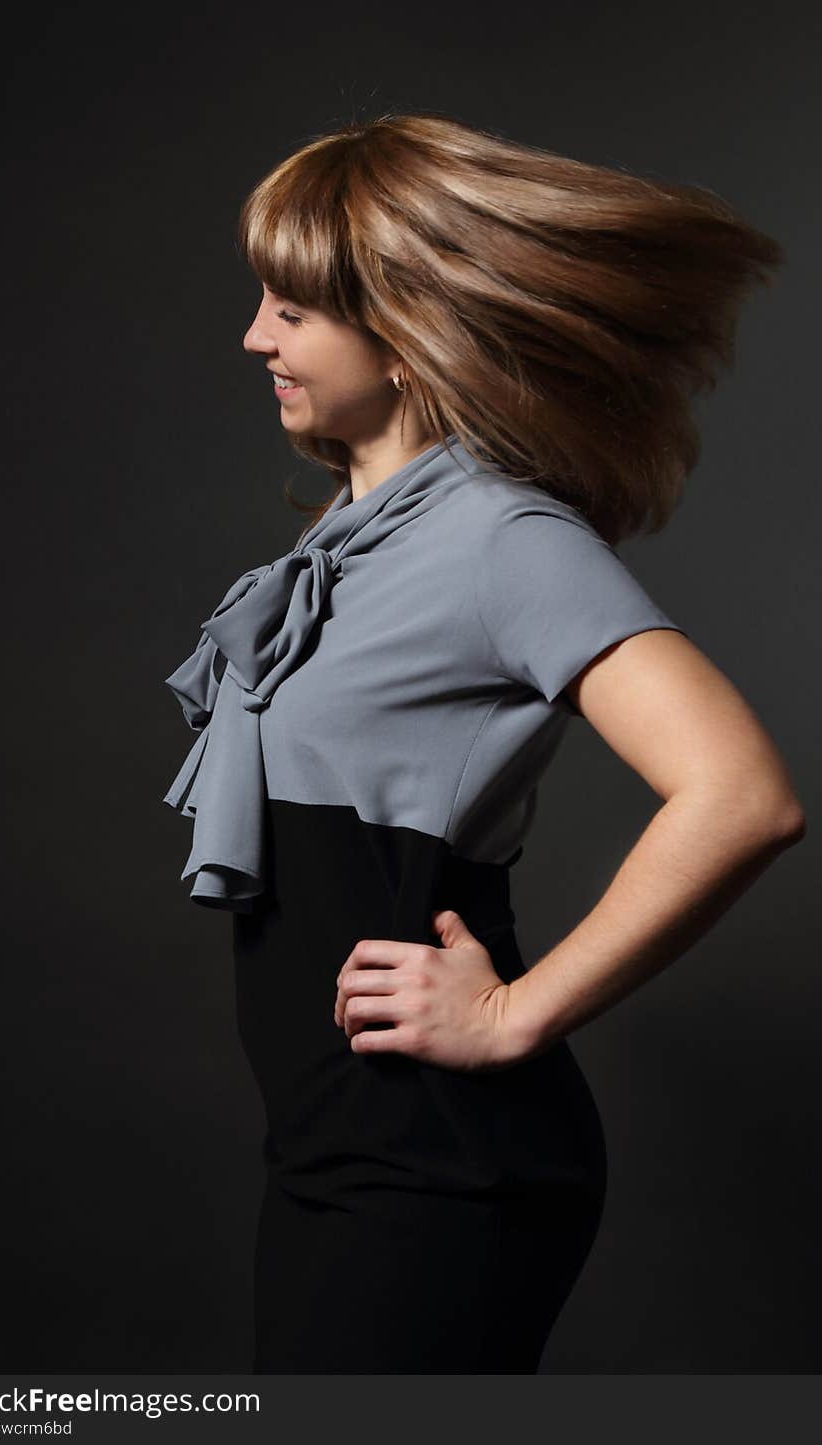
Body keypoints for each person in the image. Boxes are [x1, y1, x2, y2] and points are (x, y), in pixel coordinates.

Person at [161, 113, 805, 1373]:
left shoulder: (503, 539)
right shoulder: (352, 539)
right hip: (332, 1150)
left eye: (290, 312)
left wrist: (513, 1014)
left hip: (436, 1168)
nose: (253, 338)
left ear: (405, 327)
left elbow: (739, 793)